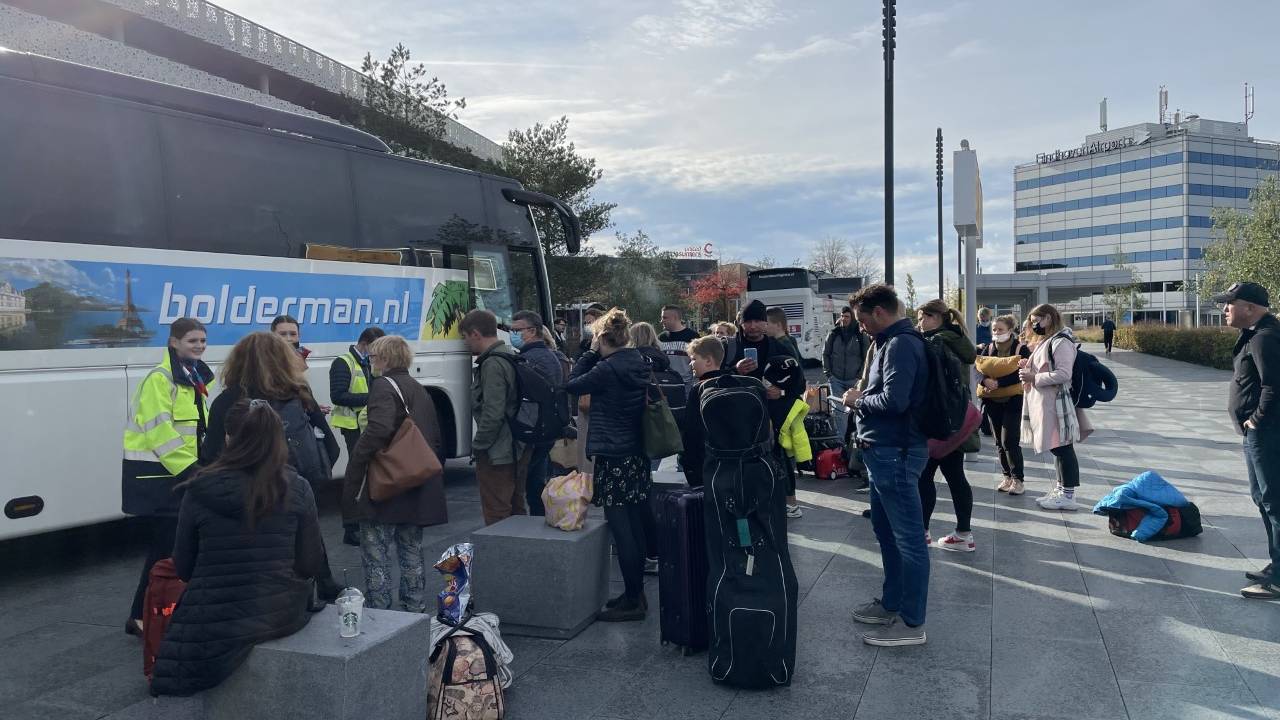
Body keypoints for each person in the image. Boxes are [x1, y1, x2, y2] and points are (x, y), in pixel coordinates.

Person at [150, 399, 324, 696]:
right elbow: (309, 564)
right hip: (277, 611)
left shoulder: (199, 490)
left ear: (228, 438)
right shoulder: (297, 488)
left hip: (206, 621)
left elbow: (184, 567)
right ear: (276, 440)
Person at [201, 331, 342, 599]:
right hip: (296, 485)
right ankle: (320, 585)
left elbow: (211, 455)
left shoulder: (228, 401)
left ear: (237, 362)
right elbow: (331, 446)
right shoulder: (297, 394)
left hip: (248, 495)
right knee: (304, 536)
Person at [841, 284, 930, 647]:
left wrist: (858, 400)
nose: (860, 326)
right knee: (885, 529)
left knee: (908, 539)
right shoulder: (890, 342)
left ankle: (911, 624)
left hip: (896, 452)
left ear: (879, 312)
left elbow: (895, 401)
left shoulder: (901, 344)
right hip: (884, 452)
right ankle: (892, 601)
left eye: (863, 320)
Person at [122, 317, 214, 638]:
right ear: (173, 342)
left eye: (202, 340)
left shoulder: (192, 377)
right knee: (165, 549)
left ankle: (147, 614)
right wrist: (192, 471)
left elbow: (197, 431)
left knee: (167, 549)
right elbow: (161, 432)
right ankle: (141, 616)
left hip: (176, 478)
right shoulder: (160, 380)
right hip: (161, 479)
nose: (199, 346)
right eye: (192, 341)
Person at [342, 335, 448, 611]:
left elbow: (378, 429)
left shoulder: (382, 386)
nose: (371, 362)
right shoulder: (417, 387)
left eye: (374, 357)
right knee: (411, 552)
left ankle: (381, 616)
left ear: (386, 359)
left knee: (376, 555)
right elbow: (433, 436)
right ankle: (414, 610)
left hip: (386, 485)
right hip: (415, 481)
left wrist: (356, 461)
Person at [565, 308, 652, 621]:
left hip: (614, 455)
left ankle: (632, 600)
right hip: (636, 451)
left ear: (602, 338)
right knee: (635, 524)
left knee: (621, 527)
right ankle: (635, 592)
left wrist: (588, 355)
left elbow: (572, 384)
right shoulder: (637, 361)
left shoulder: (606, 368)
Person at [1213, 282, 1280, 599]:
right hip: (1257, 434)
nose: (1224, 309)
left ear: (1250, 307)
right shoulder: (1256, 334)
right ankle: (1277, 564)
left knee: (1274, 500)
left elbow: (1273, 385)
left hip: (1267, 433)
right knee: (1262, 498)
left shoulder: (1266, 337)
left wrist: (1256, 419)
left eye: (1230, 303)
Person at [726, 300, 806, 518]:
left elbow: (799, 384)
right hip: (739, 415)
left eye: (757, 321)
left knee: (778, 457)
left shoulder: (780, 346)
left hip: (774, 414)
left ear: (765, 322)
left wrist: (780, 393)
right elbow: (714, 379)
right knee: (742, 461)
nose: (752, 326)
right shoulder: (730, 347)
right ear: (741, 323)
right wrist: (734, 369)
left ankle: (790, 502)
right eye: (747, 321)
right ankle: (748, 502)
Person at [915, 299, 977, 552]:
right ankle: (964, 533)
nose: (919, 323)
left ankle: (922, 532)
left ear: (936, 318)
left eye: (923, 317)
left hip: (938, 419)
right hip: (957, 418)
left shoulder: (937, 342)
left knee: (925, 476)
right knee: (955, 476)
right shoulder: (957, 339)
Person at [1019, 304, 1093, 512]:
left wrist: (1034, 377)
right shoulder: (1049, 340)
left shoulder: (1060, 341)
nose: (1034, 324)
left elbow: (1063, 374)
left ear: (1049, 318)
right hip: (1047, 403)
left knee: (1063, 448)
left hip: (1056, 403)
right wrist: (1029, 366)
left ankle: (1068, 495)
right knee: (1057, 448)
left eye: (1037, 320)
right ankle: (1061, 490)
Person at [462, 309, 531, 525]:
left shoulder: (492, 364)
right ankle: (519, 555)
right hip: (517, 445)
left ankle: (501, 558)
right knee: (516, 506)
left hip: (498, 451)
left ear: (475, 334)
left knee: (496, 513)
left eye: (464, 337)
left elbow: (493, 412)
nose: (465, 343)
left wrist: (479, 445)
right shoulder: (510, 354)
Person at [329, 326, 385, 546]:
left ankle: (364, 520)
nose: (379, 354)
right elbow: (338, 396)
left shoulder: (369, 361)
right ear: (366, 343)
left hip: (367, 425)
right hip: (352, 427)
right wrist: (373, 397)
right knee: (355, 478)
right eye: (377, 348)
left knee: (367, 475)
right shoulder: (343, 362)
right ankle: (351, 527)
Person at [511, 310, 565, 516]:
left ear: (532, 331)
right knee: (536, 482)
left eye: (516, 330)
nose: (512, 334)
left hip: (532, 429)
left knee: (528, 483)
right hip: (547, 428)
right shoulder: (550, 356)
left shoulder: (527, 359)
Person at [976, 314, 1031, 496]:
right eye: (994, 329)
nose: (996, 333)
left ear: (1010, 330)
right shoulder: (989, 348)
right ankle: (1006, 476)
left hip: (1013, 400)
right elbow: (978, 369)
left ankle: (1018, 479)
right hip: (992, 400)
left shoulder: (1021, 349)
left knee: (1010, 441)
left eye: (1000, 329)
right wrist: (985, 382)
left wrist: (999, 383)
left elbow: (1023, 371)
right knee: (999, 442)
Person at [679, 336, 728, 488]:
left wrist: (687, 461)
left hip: (705, 461)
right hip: (730, 460)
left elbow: (692, 430)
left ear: (708, 360)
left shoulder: (699, 389)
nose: (690, 363)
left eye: (694, 359)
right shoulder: (732, 382)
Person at [824, 305, 869, 441]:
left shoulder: (860, 335)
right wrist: (828, 373)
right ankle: (840, 443)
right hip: (836, 379)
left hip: (854, 380)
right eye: (842, 316)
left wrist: (860, 376)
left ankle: (857, 438)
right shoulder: (833, 333)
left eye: (847, 316)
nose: (843, 319)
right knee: (838, 411)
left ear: (853, 318)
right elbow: (825, 354)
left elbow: (867, 356)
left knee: (857, 411)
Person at [658, 304, 699, 386]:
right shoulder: (660, 338)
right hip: (665, 384)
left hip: (686, 385)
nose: (661, 321)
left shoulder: (693, 337)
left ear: (675, 318)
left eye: (664, 317)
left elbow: (699, 361)